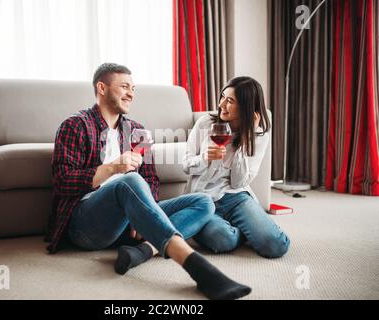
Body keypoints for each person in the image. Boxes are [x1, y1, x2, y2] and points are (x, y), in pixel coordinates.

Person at [44, 63, 252, 300]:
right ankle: (198, 268)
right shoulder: (75, 126)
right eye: (124, 86)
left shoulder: (137, 131)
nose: (131, 93)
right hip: (86, 225)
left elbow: (151, 179)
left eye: (133, 88)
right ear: (101, 88)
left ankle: (141, 252)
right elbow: (62, 182)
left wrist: (142, 214)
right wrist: (112, 168)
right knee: (128, 180)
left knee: (204, 202)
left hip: (127, 225)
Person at [184, 76, 290, 258]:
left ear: (246, 107)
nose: (221, 104)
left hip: (236, 197)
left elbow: (238, 182)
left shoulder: (259, 135)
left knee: (275, 245)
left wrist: (248, 139)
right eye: (223, 97)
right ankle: (244, 230)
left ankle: (248, 226)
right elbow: (186, 166)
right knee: (223, 240)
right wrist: (204, 158)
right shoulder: (205, 124)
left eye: (230, 101)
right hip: (203, 199)